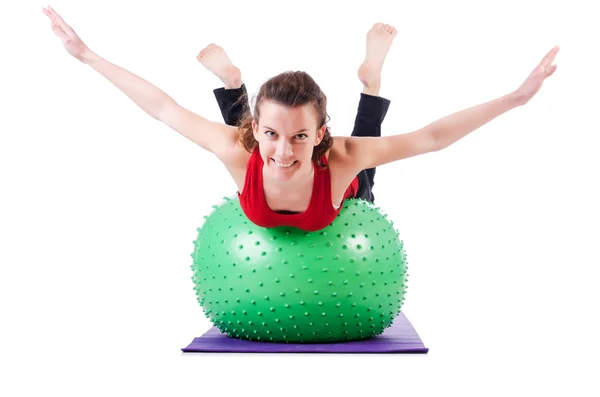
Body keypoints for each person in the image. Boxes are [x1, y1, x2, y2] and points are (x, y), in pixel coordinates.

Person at [42, 6, 559, 232]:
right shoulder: (241, 146)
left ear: (321, 135)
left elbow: (431, 138)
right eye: (271, 135)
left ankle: (371, 80)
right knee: (253, 138)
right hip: (260, 134)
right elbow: (162, 108)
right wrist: (87, 55)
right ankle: (233, 85)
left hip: (344, 201)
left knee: (367, 163)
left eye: (301, 137)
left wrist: (516, 98)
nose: (284, 152)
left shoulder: (339, 158)